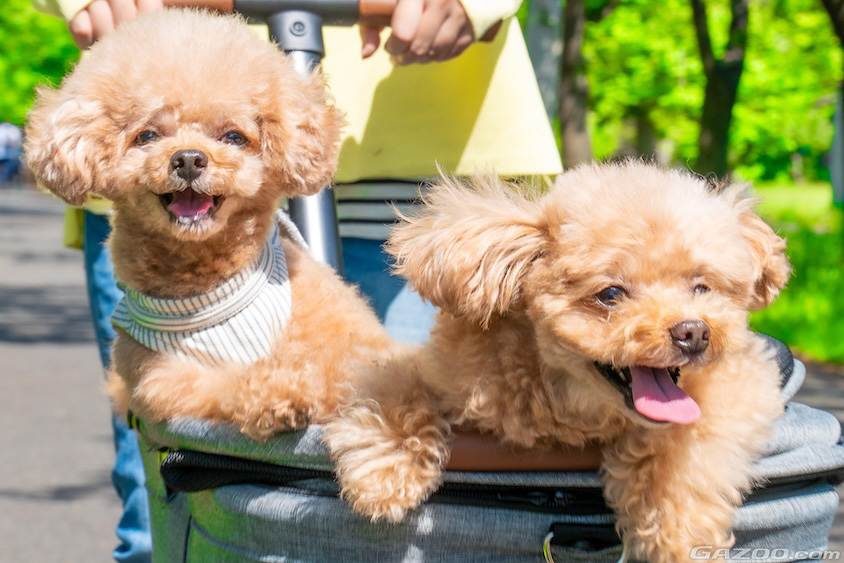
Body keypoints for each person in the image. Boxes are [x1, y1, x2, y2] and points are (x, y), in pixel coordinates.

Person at [30, 0, 562, 560]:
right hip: (134, 31)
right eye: (147, 136)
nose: (189, 157)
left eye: (231, 136)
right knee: (162, 498)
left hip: (428, 141)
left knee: (447, 486)